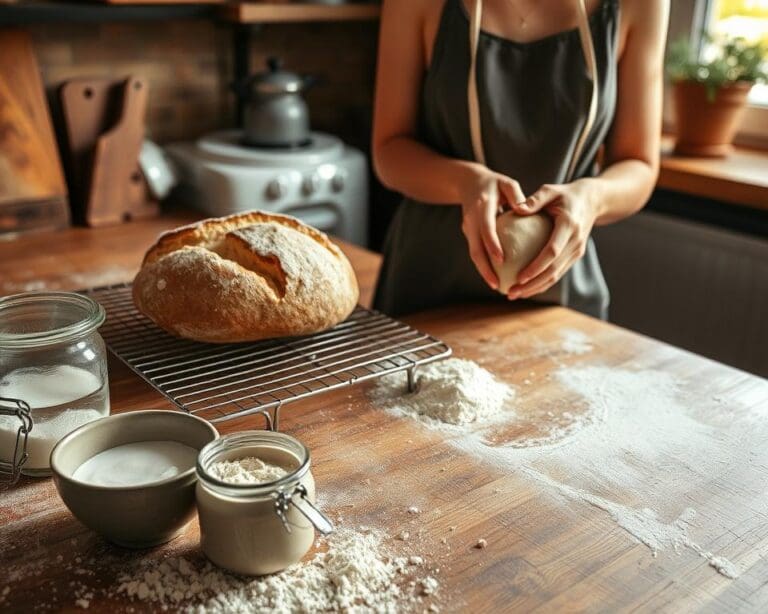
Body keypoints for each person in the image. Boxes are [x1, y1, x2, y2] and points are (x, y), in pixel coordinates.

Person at [371, 0, 669, 319]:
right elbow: (389, 149)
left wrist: (591, 199)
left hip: (559, 291)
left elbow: (639, 163)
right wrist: (463, 182)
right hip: (428, 282)